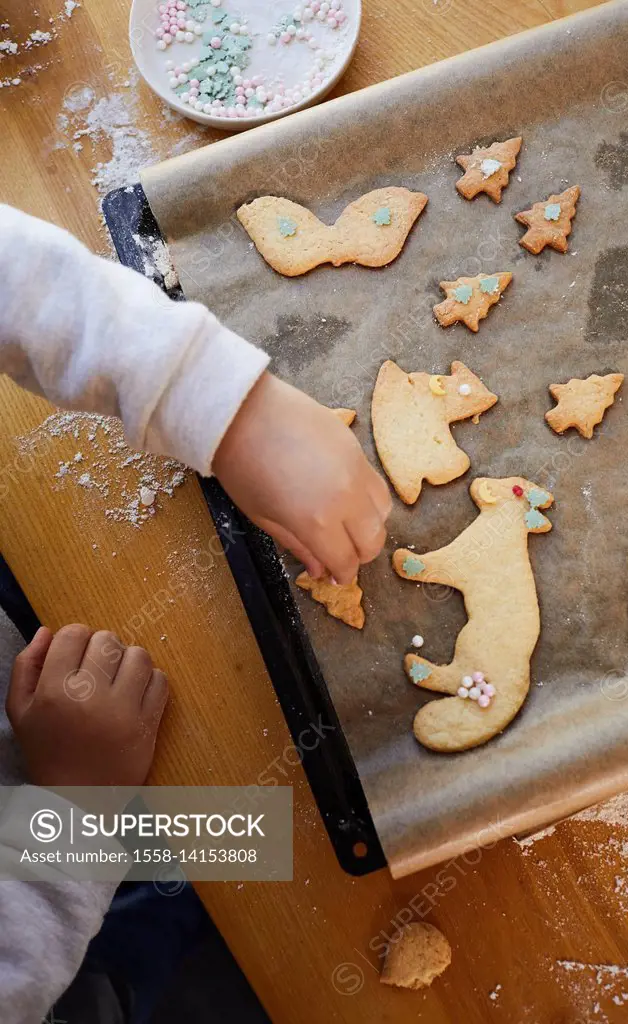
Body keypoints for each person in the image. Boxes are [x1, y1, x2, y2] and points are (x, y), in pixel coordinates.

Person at [0, 202, 392, 1023]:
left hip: (53, 736)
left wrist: (216, 399)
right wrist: (72, 804)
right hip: (54, 864)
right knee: (270, 867)